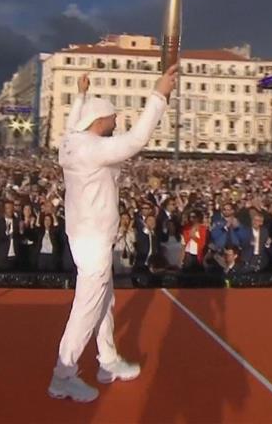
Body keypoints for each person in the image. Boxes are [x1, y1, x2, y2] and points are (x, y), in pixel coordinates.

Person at [48, 63, 178, 403]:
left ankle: (108, 361)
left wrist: (81, 93)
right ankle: (63, 375)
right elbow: (137, 139)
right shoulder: (93, 149)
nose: (117, 122)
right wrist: (159, 95)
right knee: (88, 306)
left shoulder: (69, 143)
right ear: (100, 120)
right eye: (113, 118)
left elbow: (74, 121)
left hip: (84, 236)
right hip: (92, 240)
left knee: (103, 300)